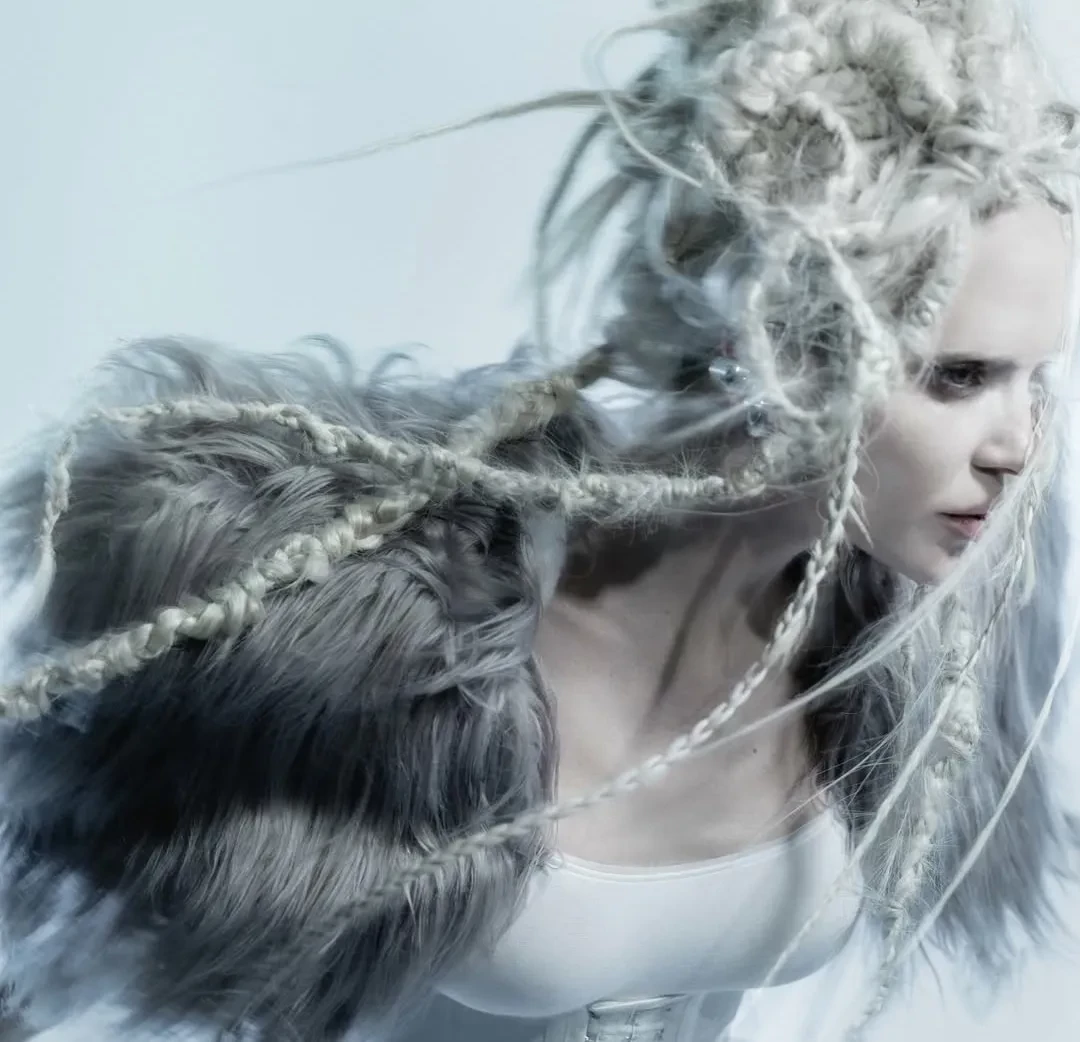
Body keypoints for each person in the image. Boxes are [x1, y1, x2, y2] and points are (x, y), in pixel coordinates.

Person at [0, 0, 1078, 1040]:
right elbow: (66, 932)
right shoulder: (364, 636)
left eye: (1034, 380)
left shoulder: (907, 668)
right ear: (778, 346)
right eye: (959, 377)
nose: (1018, 445)